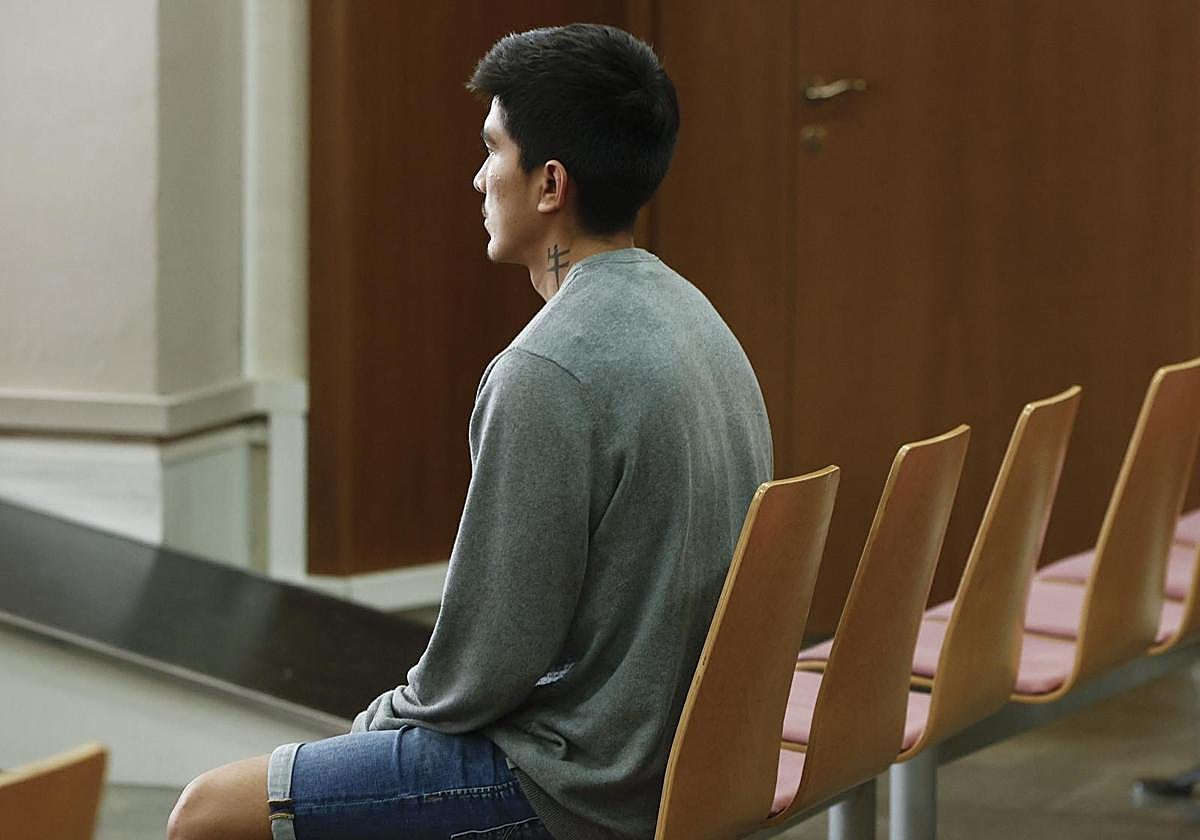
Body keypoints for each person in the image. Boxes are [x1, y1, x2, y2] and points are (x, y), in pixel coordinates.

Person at [168, 23, 771, 840]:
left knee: (209, 811)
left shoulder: (546, 371)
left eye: (493, 149)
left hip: (581, 786)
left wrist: (364, 739)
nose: (479, 177)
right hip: (685, 762)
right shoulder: (697, 318)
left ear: (549, 183)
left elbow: (475, 676)